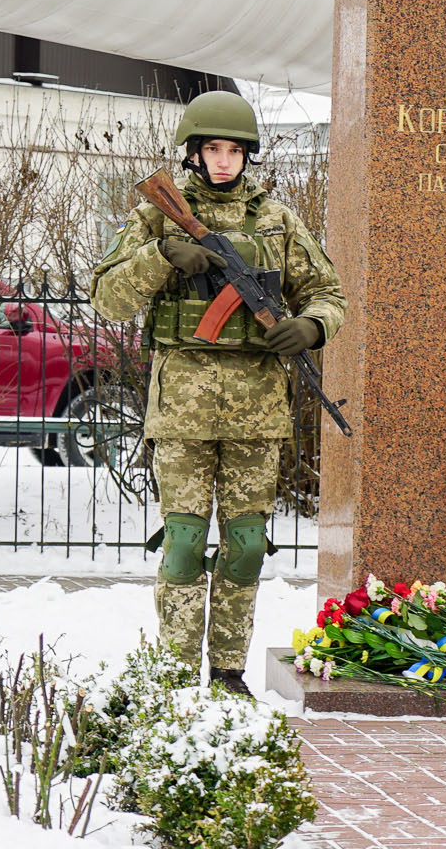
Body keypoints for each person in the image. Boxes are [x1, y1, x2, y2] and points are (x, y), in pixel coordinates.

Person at [90, 91, 345, 697]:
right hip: (181, 407)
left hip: (257, 412)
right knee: (182, 544)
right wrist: (160, 257)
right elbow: (107, 298)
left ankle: (227, 674)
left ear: (247, 155)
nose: (224, 161)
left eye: (234, 150)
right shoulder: (158, 215)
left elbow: (330, 294)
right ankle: (176, 679)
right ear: (194, 153)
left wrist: (311, 327)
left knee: (247, 547)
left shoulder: (278, 221)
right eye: (213, 149)